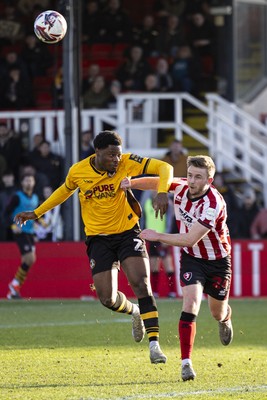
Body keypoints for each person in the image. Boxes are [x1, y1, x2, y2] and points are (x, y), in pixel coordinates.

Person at [13, 130, 173, 364]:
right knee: (106, 298)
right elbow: (62, 192)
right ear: (97, 152)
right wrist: (37, 213)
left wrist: (162, 192)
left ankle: (154, 344)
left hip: (128, 231)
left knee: (141, 283)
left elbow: (164, 168)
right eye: (111, 155)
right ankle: (134, 311)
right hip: (98, 239)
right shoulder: (78, 171)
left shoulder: (127, 162)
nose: (116, 160)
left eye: (118, 155)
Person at [121, 155, 233, 381]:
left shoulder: (213, 203)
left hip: (218, 261)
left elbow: (191, 238)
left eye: (198, 177)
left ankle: (226, 318)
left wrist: (157, 236)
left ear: (209, 181)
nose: (191, 181)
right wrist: (130, 182)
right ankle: (186, 363)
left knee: (216, 312)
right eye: (190, 175)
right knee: (190, 304)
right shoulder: (183, 186)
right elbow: (158, 182)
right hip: (192, 259)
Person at [5, 173, 39, 299]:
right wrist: (13, 226)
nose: (29, 183)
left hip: (30, 233)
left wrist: (37, 225)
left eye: (31, 180)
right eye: (26, 180)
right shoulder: (17, 197)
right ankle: (14, 284)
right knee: (29, 259)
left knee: (30, 260)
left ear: (34, 182)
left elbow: (34, 214)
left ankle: (14, 289)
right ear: (22, 183)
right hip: (20, 232)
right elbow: (5, 213)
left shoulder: (35, 197)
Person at [141, 190, 176, 298]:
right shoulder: (146, 203)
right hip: (151, 238)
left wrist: (166, 236)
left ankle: (172, 292)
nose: (154, 192)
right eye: (152, 190)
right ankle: (155, 292)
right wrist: (143, 232)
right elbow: (143, 219)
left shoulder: (167, 204)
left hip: (163, 237)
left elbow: (170, 221)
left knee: (168, 265)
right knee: (154, 266)